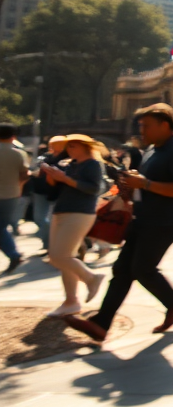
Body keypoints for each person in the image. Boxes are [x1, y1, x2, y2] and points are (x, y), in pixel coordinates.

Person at [65, 103, 173, 343]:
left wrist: (145, 184)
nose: (141, 130)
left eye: (146, 126)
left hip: (165, 221)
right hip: (144, 216)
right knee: (122, 269)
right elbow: (147, 182)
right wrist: (130, 184)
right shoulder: (153, 150)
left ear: (164, 125)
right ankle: (101, 324)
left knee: (142, 269)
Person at [36, 133, 107, 315]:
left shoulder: (93, 164)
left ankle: (92, 278)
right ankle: (71, 301)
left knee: (59, 257)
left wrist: (64, 178)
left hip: (80, 212)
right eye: (69, 146)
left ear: (85, 147)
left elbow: (93, 188)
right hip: (62, 210)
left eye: (73, 146)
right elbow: (58, 188)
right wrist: (53, 177)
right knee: (67, 257)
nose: (69, 150)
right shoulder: (71, 164)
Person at [0, 123, 30, 273]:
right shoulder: (19, 153)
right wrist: (19, 187)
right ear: (13, 136)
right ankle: (13, 254)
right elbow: (24, 174)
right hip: (11, 194)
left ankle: (14, 254)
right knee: (2, 227)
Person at [28, 135, 66, 254]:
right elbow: (35, 171)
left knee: (54, 221)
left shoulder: (68, 159)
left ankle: (53, 246)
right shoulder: (44, 157)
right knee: (39, 218)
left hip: (58, 193)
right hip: (40, 190)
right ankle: (48, 244)